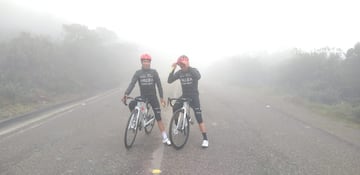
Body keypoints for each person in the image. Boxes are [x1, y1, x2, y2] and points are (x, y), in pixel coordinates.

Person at [122, 53, 171, 145]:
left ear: (150, 62)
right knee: (132, 104)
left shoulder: (154, 72)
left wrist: (161, 98)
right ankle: (134, 120)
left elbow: (159, 85)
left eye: (148, 61)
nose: (146, 63)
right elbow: (132, 84)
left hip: (153, 97)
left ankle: (165, 137)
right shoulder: (138, 73)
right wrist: (126, 93)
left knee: (158, 117)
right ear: (141, 62)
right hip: (143, 96)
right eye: (144, 61)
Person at [167, 55, 209, 148]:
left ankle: (205, 139)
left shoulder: (193, 70)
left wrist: (188, 66)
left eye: (183, 64)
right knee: (175, 107)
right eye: (180, 65)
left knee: (199, 117)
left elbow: (198, 76)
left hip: (194, 97)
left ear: (188, 63)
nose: (182, 66)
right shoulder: (179, 72)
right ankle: (178, 125)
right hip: (184, 95)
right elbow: (169, 80)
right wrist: (173, 69)